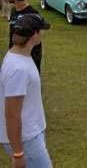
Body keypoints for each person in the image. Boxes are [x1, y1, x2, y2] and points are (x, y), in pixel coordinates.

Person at [0, 12, 52, 168]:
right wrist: (18, 153)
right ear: (34, 35)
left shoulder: (17, 56)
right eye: (41, 30)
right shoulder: (18, 69)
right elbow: (12, 115)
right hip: (27, 139)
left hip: (32, 133)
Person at [8, 0, 43, 73]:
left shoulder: (33, 14)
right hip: (15, 53)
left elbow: (38, 38)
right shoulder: (14, 10)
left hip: (30, 55)